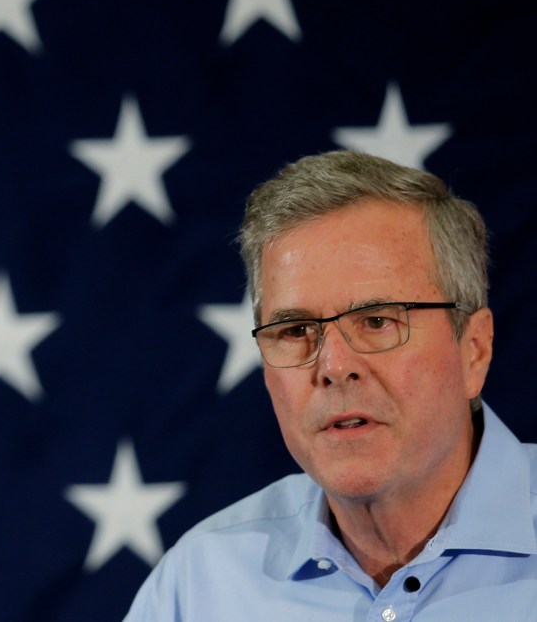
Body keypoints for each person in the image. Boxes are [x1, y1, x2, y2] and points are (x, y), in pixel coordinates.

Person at [124, 150, 537, 620]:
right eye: (296, 331)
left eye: (378, 321)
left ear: (474, 349)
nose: (334, 365)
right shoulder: (200, 584)